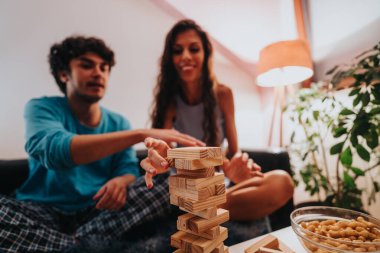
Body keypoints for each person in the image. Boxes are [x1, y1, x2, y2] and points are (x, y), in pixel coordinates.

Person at [0, 36, 204, 253]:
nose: (98, 73)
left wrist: (121, 180)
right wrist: (139, 134)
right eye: (87, 65)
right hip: (42, 210)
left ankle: (69, 245)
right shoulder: (41, 108)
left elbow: (127, 169)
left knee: (176, 178)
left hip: (98, 210)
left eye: (104, 68)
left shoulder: (118, 123)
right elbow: (55, 152)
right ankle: (83, 246)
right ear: (63, 74)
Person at [146, 19, 294, 221]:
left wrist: (237, 167)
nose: (186, 57)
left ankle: (207, 210)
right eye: (177, 51)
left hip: (219, 183)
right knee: (177, 191)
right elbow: (166, 158)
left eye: (194, 49)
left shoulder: (223, 94)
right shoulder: (170, 100)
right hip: (185, 183)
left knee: (282, 182)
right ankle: (210, 210)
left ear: (205, 54)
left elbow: (234, 150)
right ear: (170, 59)